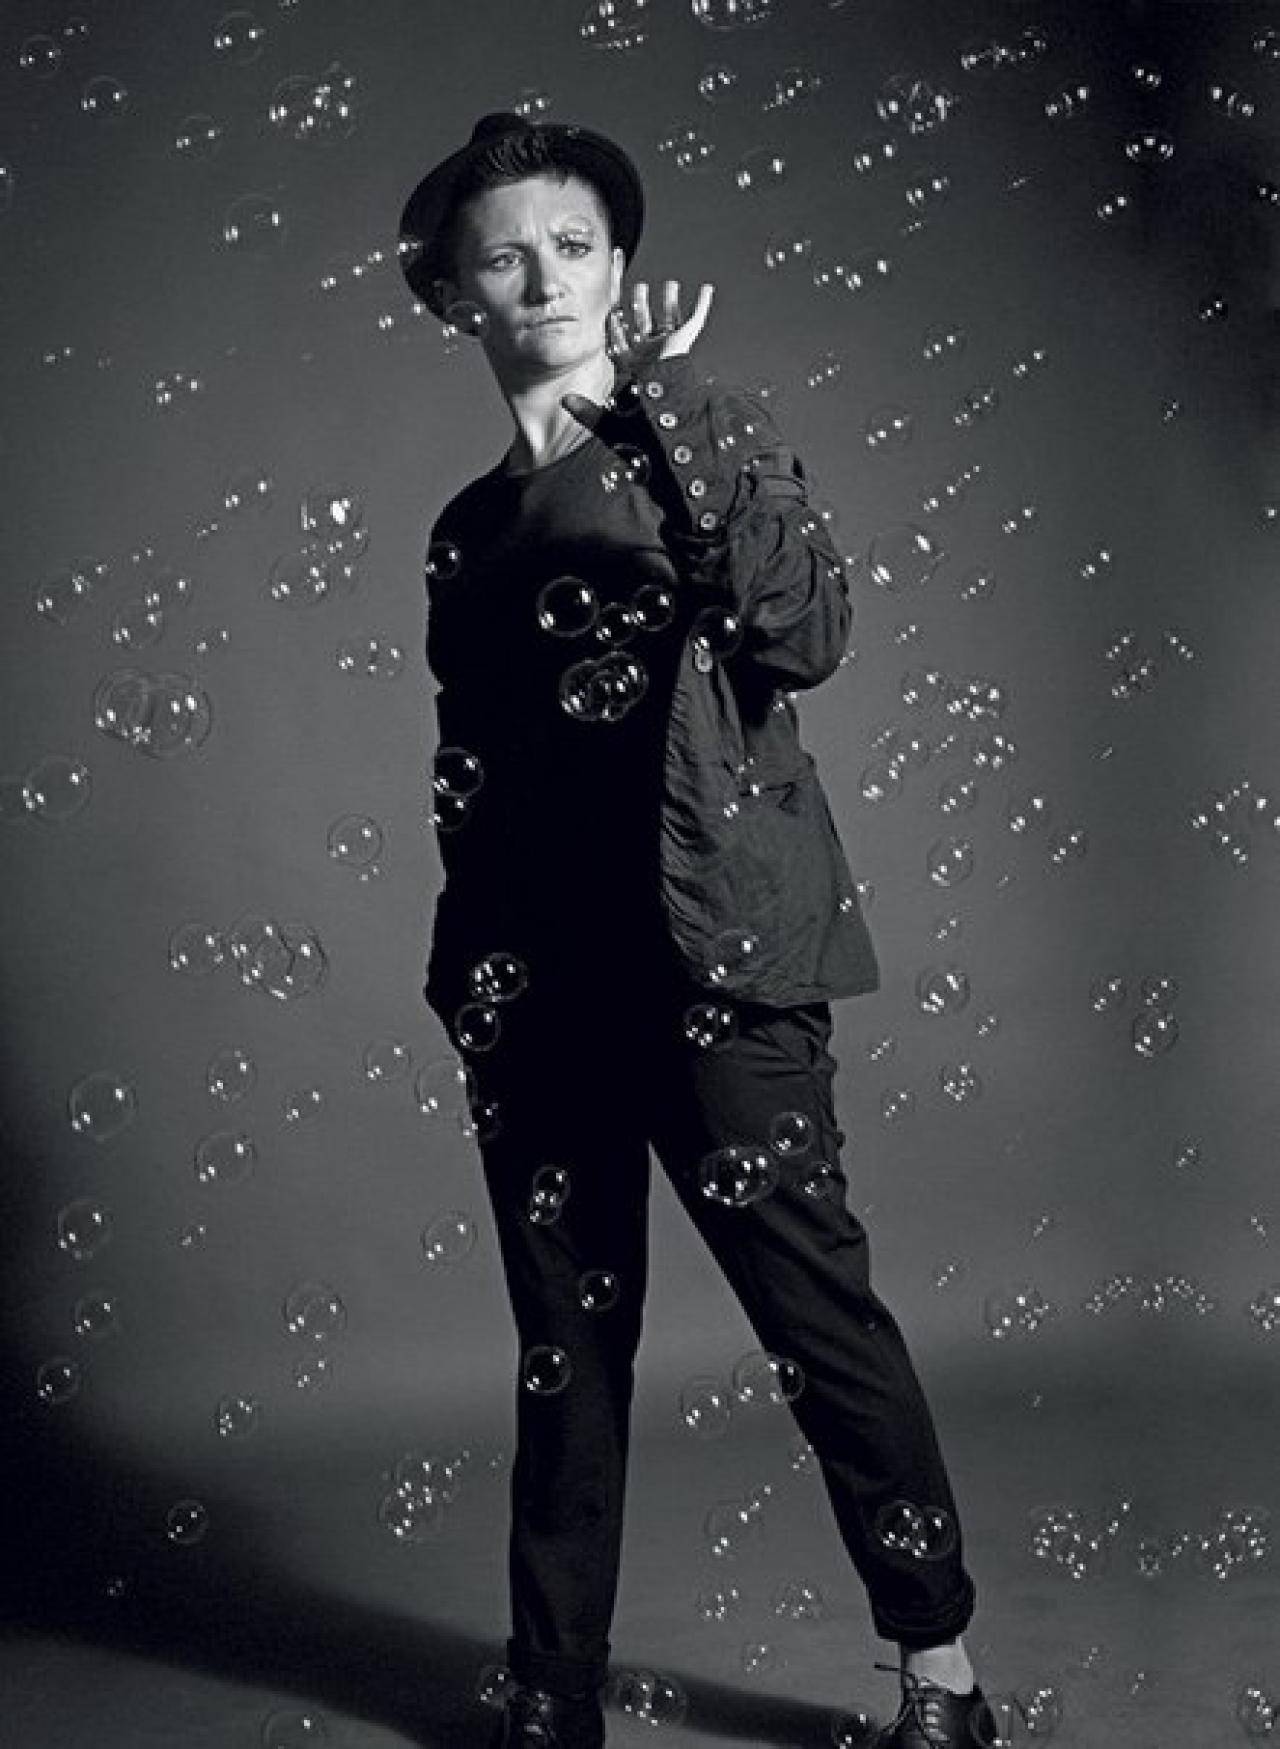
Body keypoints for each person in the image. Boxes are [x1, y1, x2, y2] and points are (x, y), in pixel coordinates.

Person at [399, 113, 996, 1749]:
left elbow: (806, 631)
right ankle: (552, 1694)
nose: (546, 277)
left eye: (575, 246)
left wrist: (661, 419)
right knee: (565, 1347)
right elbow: (473, 771)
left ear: (622, 271)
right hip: (541, 989)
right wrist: (466, 972)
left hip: (719, 959)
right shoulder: (466, 533)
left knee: (815, 1316)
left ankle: (941, 1674)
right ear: (453, 292)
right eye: (507, 254)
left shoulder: (704, 426)